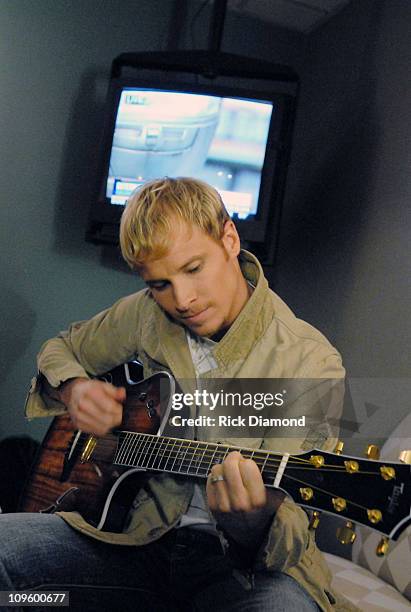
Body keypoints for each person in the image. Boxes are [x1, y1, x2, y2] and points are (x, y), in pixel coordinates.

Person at [0, 177, 357, 611]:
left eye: (193, 269)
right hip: (132, 545)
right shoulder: (146, 315)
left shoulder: (310, 363)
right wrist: (75, 389)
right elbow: (63, 348)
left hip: (238, 574)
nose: (182, 300)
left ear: (229, 238)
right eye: (160, 284)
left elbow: (287, 531)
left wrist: (249, 524)